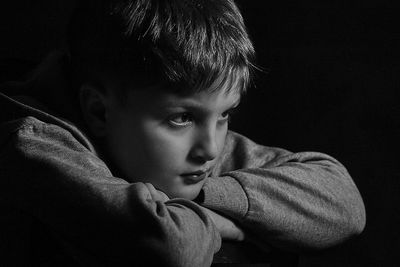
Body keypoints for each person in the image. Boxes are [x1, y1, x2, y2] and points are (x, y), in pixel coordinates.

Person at [0, 0, 366, 266]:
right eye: (182, 118)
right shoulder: (29, 144)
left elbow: (344, 207)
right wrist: (242, 227)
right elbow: (169, 248)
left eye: (225, 115)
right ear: (98, 110)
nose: (210, 149)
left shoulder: (189, 149)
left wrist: (208, 198)